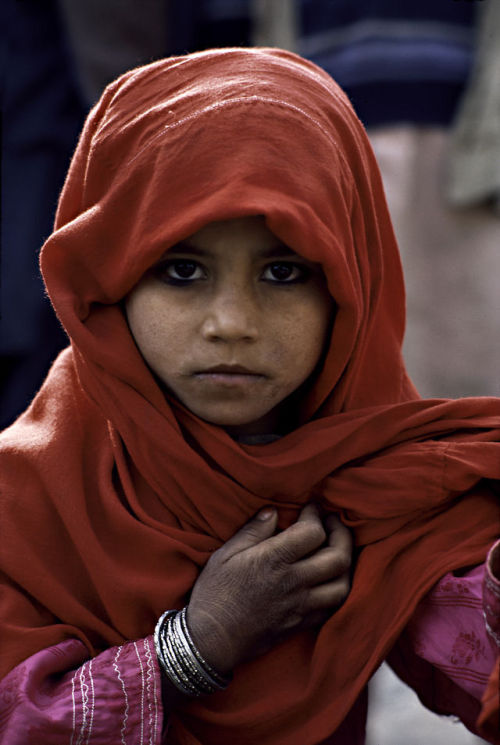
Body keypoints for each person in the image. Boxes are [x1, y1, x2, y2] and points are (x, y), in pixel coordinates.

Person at [0, 48, 499, 745]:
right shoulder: (24, 499)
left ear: (350, 288)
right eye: (181, 269)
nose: (231, 322)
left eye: (285, 270)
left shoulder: (389, 485)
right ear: (106, 279)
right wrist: (196, 646)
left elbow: (475, 651)